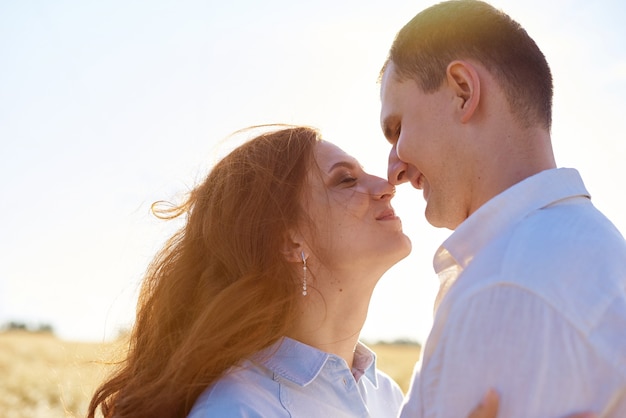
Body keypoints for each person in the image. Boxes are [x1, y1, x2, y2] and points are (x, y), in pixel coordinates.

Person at [87, 125, 501, 418]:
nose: (385, 184)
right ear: (290, 242)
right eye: (344, 181)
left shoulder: (386, 398)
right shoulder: (239, 409)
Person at [379, 1, 626, 417]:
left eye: (398, 127)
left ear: (463, 91)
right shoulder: (591, 247)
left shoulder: (506, 288)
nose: (393, 170)